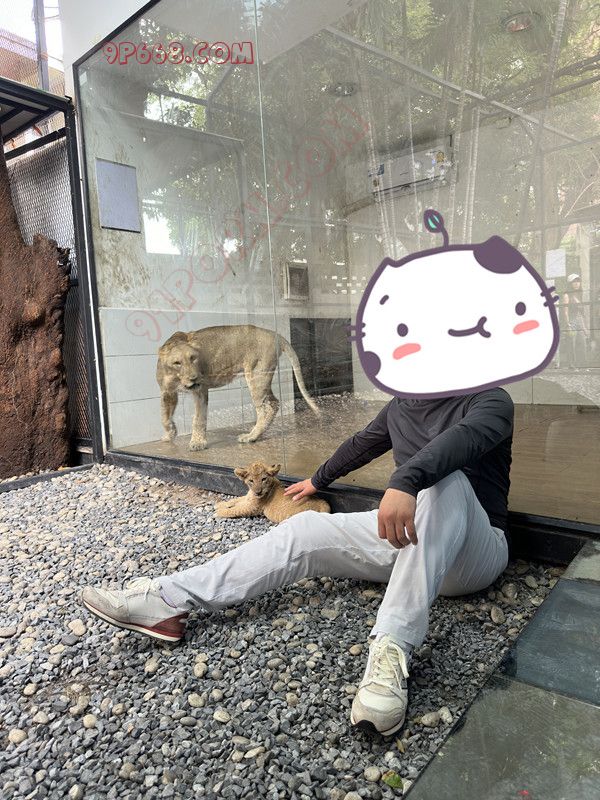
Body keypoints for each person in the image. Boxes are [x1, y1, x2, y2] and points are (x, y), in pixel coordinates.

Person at [81, 387, 512, 737]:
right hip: (413, 543)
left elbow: (464, 439)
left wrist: (406, 479)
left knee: (444, 482)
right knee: (305, 528)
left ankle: (391, 650)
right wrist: (317, 480)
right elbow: (362, 444)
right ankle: (168, 600)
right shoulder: (403, 404)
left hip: (476, 553)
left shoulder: (490, 400)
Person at [562, 273, 589, 368]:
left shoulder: (579, 295)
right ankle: (572, 365)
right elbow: (565, 311)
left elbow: (581, 313)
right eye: (574, 282)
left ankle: (582, 364)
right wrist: (568, 325)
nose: (577, 283)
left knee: (582, 342)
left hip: (579, 321)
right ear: (570, 283)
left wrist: (584, 327)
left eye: (578, 281)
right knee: (571, 343)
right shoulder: (566, 295)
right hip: (571, 321)